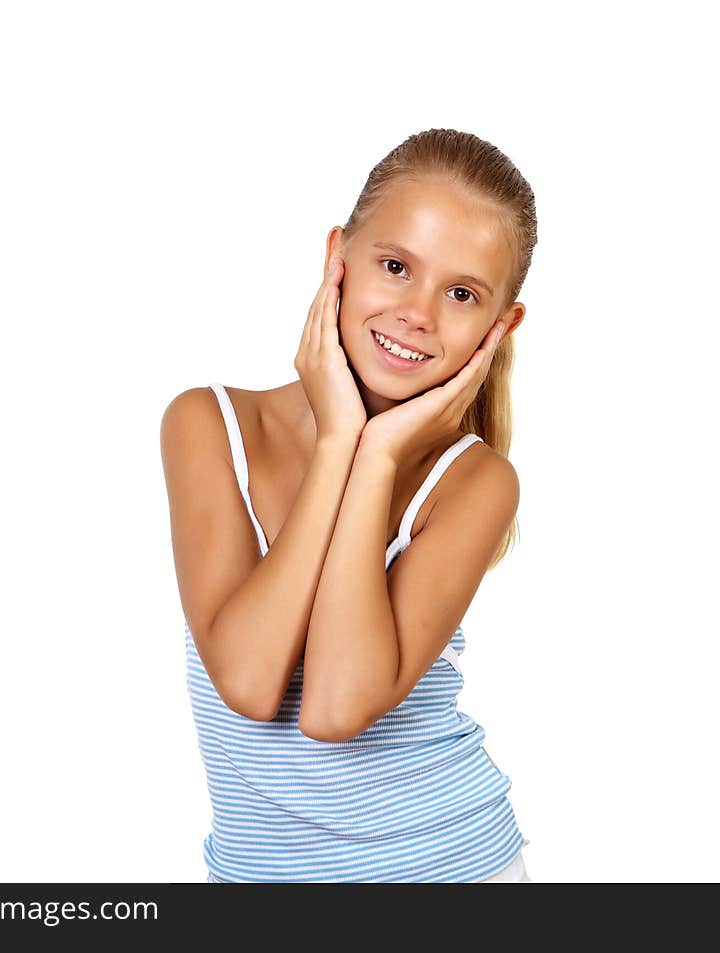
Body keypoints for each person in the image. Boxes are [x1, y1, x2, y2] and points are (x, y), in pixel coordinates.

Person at [160, 128, 537, 883]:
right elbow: (248, 679)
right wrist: (338, 442)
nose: (418, 313)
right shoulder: (209, 425)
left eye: (461, 293)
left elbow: (335, 708)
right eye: (395, 266)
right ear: (338, 257)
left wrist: (374, 454)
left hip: (450, 871)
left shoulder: (475, 482)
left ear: (502, 326)